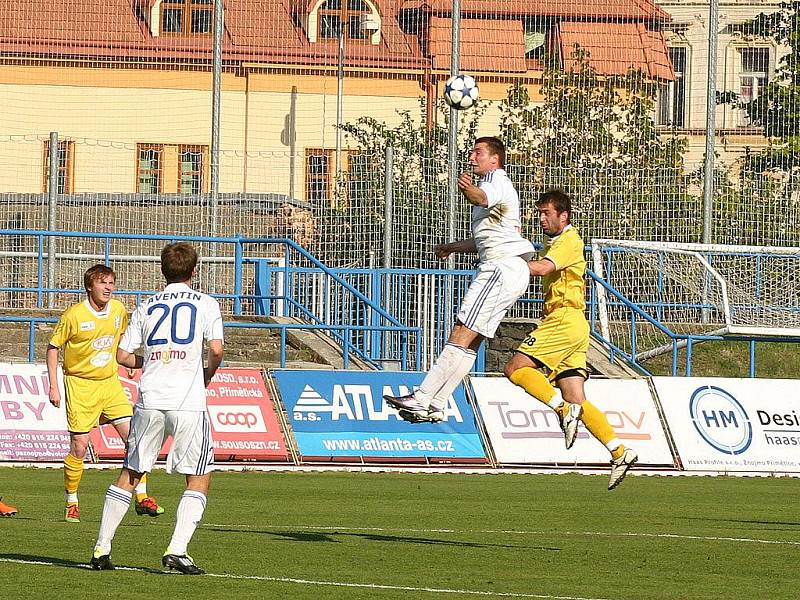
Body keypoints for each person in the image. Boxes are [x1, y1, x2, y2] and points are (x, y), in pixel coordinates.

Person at [90, 242, 224, 574]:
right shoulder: (206, 304)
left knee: (130, 473)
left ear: (162, 270)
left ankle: (101, 549)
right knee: (199, 475)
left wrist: (149, 360)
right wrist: (204, 374)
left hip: (150, 399)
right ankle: (177, 550)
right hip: (187, 402)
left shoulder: (147, 306)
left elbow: (122, 356)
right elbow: (217, 350)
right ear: (194, 271)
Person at [384, 136, 534, 422]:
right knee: (472, 341)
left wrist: (467, 188)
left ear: (494, 159)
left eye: (478, 152)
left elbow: (481, 197)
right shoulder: (498, 186)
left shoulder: (496, 180)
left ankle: (421, 397)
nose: (472, 157)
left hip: (499, 269)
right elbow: (488, 237)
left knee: (461, 330)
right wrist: (453, 247)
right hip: (510, 269)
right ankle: (437, 403)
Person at [504, 189, 638, 490]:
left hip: (563, 319)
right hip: (576, 324)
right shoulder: (556, 243)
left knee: (514, 369)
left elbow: (542, 269)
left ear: (563, 216)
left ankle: (564, 412)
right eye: (539, 213)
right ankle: (619, 451)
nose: (541, 218)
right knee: (576, 397)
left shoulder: (568, 241)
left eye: (546, 213)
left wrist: (507, 264)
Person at [47, 264, 163, 523]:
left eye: (111, 282)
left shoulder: (119, 310)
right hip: (80, 385)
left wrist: (128, 363)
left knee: (135, 438)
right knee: (79, 446)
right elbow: (53, 347)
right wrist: (54, 385)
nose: (109, 287)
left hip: (109, 383)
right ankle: (72, 501)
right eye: (103, 283)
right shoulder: (73, 316)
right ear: (90, 286)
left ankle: (142, 497)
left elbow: (122, 339)